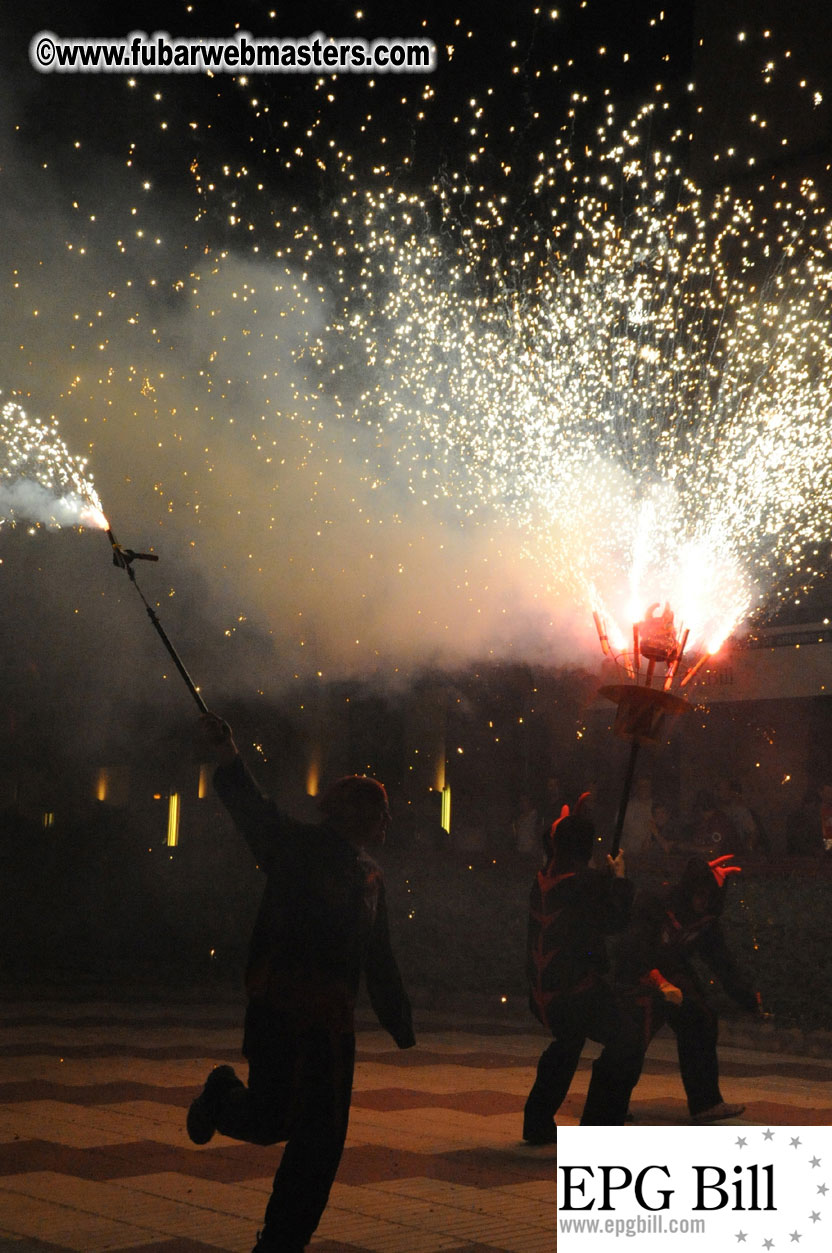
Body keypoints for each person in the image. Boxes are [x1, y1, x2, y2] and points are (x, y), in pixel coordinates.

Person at [187, 713, 415, 1253]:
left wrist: (398, 1018)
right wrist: (229, 756)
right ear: (358, 815)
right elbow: (255, 813)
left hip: (332, 1030)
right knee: (271, 1119)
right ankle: (221, 1097)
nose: (388, 821)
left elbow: (377, 957)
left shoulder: (370, 878)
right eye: (381, 811)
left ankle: (282, 1242)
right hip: (282, 1013)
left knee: (321, 1142)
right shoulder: (297, 849)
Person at [523, 804, 643, 1142]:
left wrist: (603, 880)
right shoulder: (583, 882)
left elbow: (582, 899)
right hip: (576, 993)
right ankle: (599, 1129)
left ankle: (537, 1123)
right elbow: (613, 920)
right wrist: (618, 879)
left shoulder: (543, 879)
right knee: (628, 1041)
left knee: (569, 1040)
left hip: (544, 991)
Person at [616, 854, 760, 1123]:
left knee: (701, 1020)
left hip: (672, 971)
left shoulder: (705, 920)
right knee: (631, 1037)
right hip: (638, 972)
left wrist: (748, 998)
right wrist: (657, 981)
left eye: (710, 897)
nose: (703, 903)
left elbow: (722, 962)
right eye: (700, 894)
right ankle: (611, 1105)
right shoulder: (656, 903)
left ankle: (706, 1103)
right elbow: (633, 947)